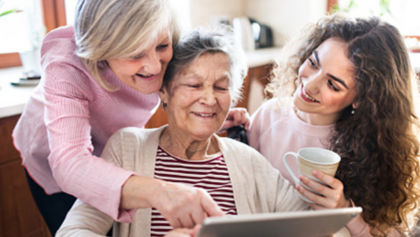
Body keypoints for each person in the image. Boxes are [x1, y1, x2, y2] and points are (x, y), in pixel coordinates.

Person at [12, 0, 247, 235]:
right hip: (55, 161)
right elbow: (70, 165)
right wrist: (163, 192)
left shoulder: (164, 33)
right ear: (102, 51)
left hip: (114, 149)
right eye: (135, 54)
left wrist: (204, 116)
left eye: (162, 46)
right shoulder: (66, 61)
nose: (155, 67)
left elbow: (181, 90)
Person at [55, 27, 308, 237]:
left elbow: (314, 225)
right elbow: (73, 231)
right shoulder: (127, 148)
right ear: (164, 91)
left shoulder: (249, 161)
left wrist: (339, 206)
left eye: (221, 87)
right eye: (194, 85)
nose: (209, 99)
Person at [248, 14, 420, 236]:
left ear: (362, 98)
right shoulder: (269, 115)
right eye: (312, 63)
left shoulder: (377, 149)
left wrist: (344, 210)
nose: (309, 85)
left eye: (332, 84)